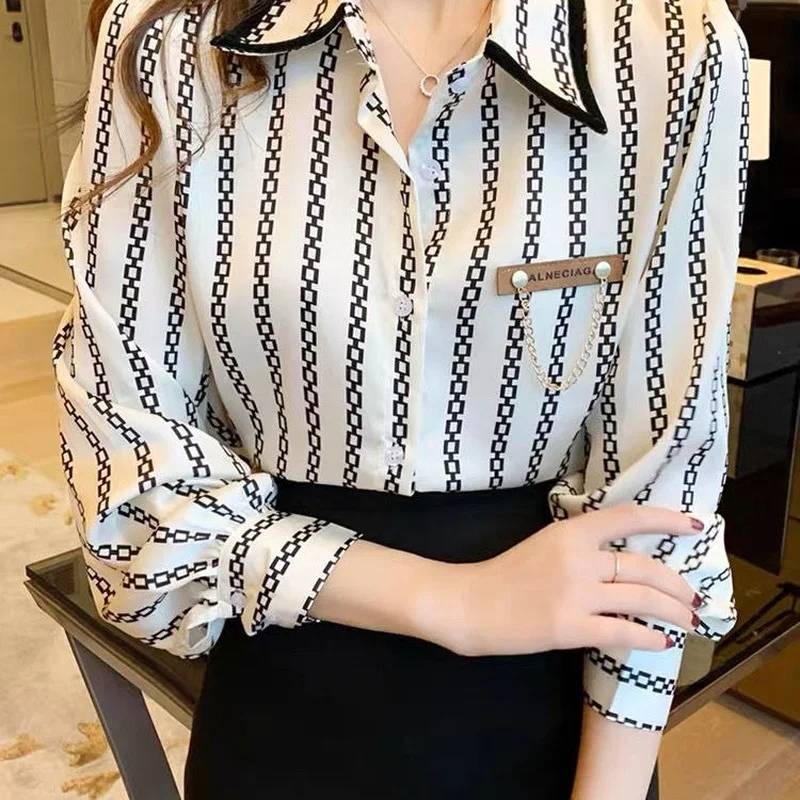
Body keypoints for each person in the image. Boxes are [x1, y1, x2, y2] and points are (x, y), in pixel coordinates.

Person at [53, 0, 749, 797]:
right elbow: (132, 470)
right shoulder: (177, 39)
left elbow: (659, 501)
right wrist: (455, 600)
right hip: (286, 683)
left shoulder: (671, 44)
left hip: (553, 710)